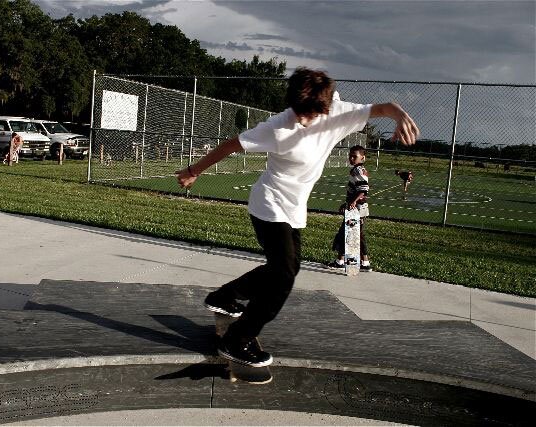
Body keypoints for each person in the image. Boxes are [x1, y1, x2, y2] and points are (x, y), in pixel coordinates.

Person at [176, 67, 419, 367]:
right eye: (298, 112)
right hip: (268, 204)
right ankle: (236, 340)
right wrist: (193, 171)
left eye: (309, 115)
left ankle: (224, 296)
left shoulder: (340, 114)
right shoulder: (278, 127)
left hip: (294, 208)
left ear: (326, 108)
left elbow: (382, 108)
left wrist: (399, 114)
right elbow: (231, 145)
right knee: (282, 278)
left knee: (289, 267)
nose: (302, 120)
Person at [329, 145, 371, 271]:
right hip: (356, 208)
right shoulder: (357, 170)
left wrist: (353, 202)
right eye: (350, 156)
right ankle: (364, 263)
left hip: (357, 210)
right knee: (353, 234)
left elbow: (363, 190)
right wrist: (347, 203)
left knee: (346, 234)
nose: (351, 158)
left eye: (355, 156)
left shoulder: (358, 170)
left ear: (362, 158)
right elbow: (357, 190)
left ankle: (341, 262)